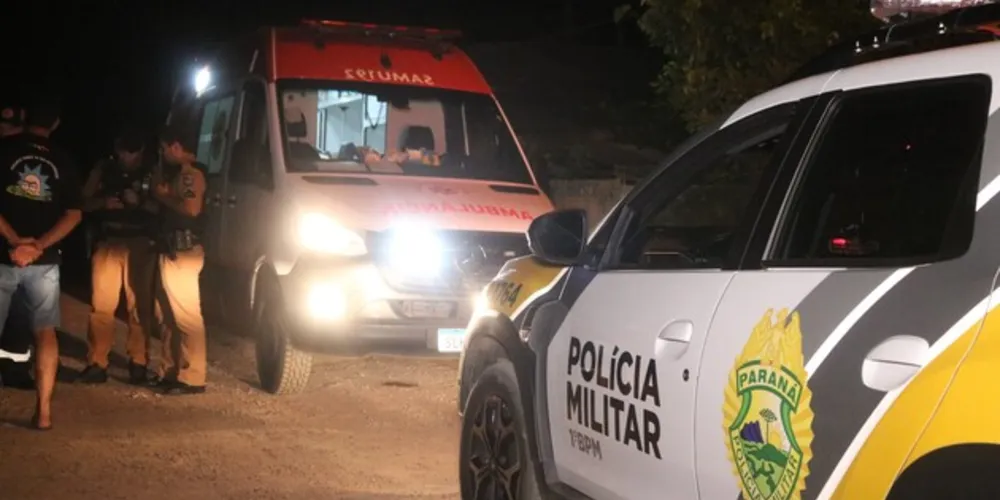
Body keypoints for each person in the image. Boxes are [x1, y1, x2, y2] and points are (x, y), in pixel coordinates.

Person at [0, 98, 83, 429]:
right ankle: (44, 413)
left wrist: (14, 241)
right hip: (44, 262)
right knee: (45, 333)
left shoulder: (4, 149)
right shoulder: (64, 160)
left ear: (24, 118)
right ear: (56, 124)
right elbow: (74, 214)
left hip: (3, 256)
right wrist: (38, 246)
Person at [77, 128, 157, 385]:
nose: (127, 157)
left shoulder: (153, 171)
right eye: (123, 151)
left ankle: (139, 362)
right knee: (102, 306)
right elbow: (82, 202)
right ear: (116, 149)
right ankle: (97, 362)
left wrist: (139, 202)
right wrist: (104, 203)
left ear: (141, 151)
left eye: (132, 152)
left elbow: (164, 208)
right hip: (109, 241)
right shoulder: (103, 169)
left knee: (139, 307)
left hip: (140, 244)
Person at [151, 122, 207, 395]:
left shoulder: (190, 175)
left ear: (176, 147)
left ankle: (192, 376)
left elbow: (191, 209)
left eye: (164, 149)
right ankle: (171, 369)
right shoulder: (179, 174)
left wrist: (162, 197)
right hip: (172, 249)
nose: (163, 154)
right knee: (166, 315)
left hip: (183, 252)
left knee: (186, 316)